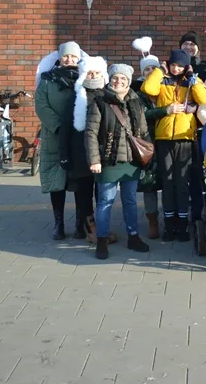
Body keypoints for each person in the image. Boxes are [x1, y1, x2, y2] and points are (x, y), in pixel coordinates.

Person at [84, 64, 151, 260]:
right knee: (105, 201)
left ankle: (133, 236)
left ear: (129, 82)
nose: (118, 82)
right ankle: (102, 239)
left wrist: (146, 155)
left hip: (132, 162)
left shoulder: (136, 102)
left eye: (123, 79)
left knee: (130, 201)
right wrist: (94, 160)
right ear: (110, 80)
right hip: (108, 161)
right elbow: (90, 133)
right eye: (115, 78)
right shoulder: (100, 102)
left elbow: (144, 131)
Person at [143, 49, 206, 242]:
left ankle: (182, 225)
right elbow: (148, 89)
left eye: (180, 66)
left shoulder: (190, 81)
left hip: (185, 137)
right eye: (173, 65)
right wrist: (159, 70)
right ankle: (169, 224)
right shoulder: (162, 80)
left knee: (181, 183)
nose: (176, 68)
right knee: (168, 182)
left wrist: (192, 77)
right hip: (164, 138)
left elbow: (204, 98)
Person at [34, 41, 83, 240]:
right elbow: (41, 105)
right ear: (59, 58)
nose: (69, 60)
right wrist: (60, 127)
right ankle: (58, 222)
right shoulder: (47, 80)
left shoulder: (84, 78)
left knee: (80, 181)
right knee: (57, 182)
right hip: (54, 137)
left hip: (78, 137)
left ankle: (81, 223)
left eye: (73, 56)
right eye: (66, 56)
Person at [64, 56, 107, 243]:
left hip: (103, 153)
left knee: (102, 192)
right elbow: (65, 128)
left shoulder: (108, 95)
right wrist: (64, 154)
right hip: (80, 152)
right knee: (83, 193)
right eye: (90, 72)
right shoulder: (75, 97)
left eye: (96, 72)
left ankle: (99, 226)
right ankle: (86, 225)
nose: (93, 75)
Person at [133, 49, 169, 240]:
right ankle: (153, 221)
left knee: (170, 181)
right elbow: (142, 115)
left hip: (168, 140)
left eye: (154, 68)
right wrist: (166, 111)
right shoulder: (138, 93)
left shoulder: (167, 87)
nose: (151, 72)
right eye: (147, 69)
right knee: (150, 184)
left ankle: (171, 218)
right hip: (147, 142)